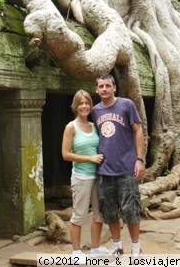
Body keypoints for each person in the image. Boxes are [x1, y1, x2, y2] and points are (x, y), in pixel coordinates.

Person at [91, 73, 145, 258]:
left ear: (114, 88)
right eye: (101, 86)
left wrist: (140, 159)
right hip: (105, 169)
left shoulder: (126, 105)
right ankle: (117, 246)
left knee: (131, 208)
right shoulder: (95, 110)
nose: (104, 89)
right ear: (96, 90)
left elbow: (138, 131)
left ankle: (136, 246)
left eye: (108, 85)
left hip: (126, 167)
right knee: (109, 209)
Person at [62, 90, 110, 262]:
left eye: (87, 103)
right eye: (80, 103)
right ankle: (76, 252)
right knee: (79, 214)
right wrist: (88, 158)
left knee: (99, 214)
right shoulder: (71, 127)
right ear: (75, 106)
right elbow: (66, 154)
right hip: (81, 177)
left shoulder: (94, 125)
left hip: (98, 176)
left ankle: (96, 248)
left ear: (91, 105)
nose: (84, 106)